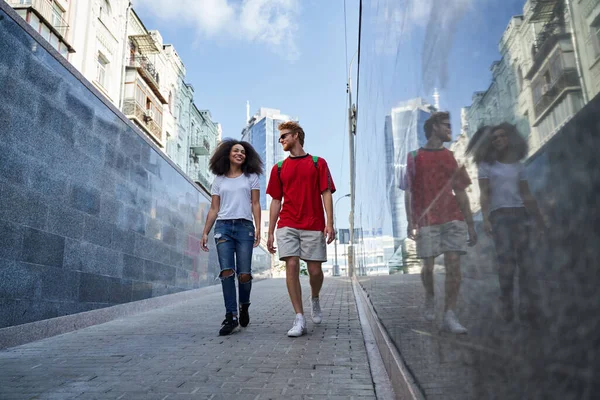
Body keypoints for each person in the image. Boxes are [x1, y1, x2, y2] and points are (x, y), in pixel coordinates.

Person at [404, 111, 477, 334]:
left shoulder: (450, 156)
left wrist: (470, 224)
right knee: (427, 267)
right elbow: (407, 192)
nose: (449, 129)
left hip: (453, 218)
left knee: (454, 265)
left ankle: (449, 314)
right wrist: (410, 221)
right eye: (446, 125)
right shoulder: (414, 156)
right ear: (434, 126)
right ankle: (430, 296)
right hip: (426, 220)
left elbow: (462, 191)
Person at [466, 123, 545, 323]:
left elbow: (527, 195)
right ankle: (507, 305)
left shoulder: (518, 166)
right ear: (491, 144)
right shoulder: (486, 166)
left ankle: (528, 307)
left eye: (502, 136)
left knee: (526, 264)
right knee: (506, 264)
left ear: (509, 138)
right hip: (499, 217)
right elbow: (484, 194)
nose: (499, 140)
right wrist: (485, 219)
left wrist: (539, 219)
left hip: (520, 215)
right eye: (495, 138)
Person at [266, 121, 336, 337]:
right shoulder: (278, 168)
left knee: (315, 271)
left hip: (313, 224)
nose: (281, 140)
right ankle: (299, 318)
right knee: (292, 264)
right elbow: (276, 200)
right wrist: (269, 232)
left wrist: (330, 223)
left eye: (285, 136)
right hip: (287, 223)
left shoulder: (318, 163)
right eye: (280, 137)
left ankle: (314, 297)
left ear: (296, 136)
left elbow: (326, 193)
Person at [201, 139, 263, 336]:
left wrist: (258, 228)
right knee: (227, 272)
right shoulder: (219, 180)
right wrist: (205, 231)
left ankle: (244, 305)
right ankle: (231, 315)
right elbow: (214, 208)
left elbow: (255, 204)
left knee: (244, 273)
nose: (240, 154)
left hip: (245, 227)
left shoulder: (251, 177)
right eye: (236, 150)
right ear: (227, 154)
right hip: (223, 227)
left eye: (243, 152)